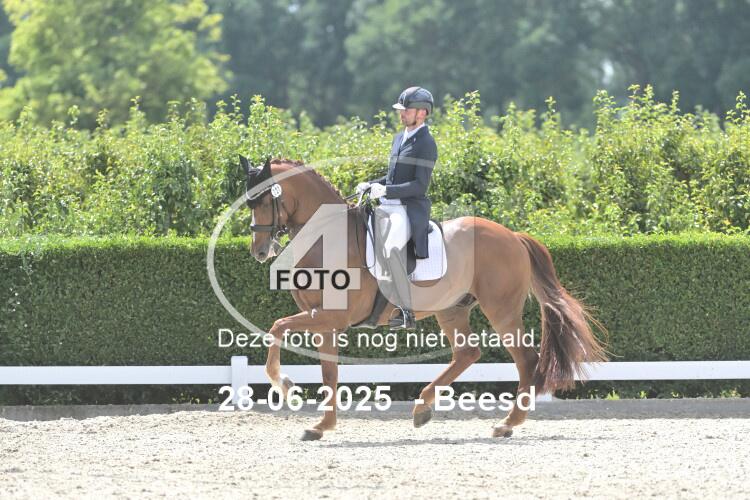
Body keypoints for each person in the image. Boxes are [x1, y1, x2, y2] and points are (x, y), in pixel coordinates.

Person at [356, 86, 438, 329]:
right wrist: (371, 184)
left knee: (392, 248)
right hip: (388, 205)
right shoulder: (399, 138)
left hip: (408, 208)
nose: (401, 114)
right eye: (401, 110)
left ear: (422, 113)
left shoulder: (426, 143)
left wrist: (387, 191)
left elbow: (419, 185)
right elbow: (392, 178)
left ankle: (405, 311)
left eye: (406, 110)